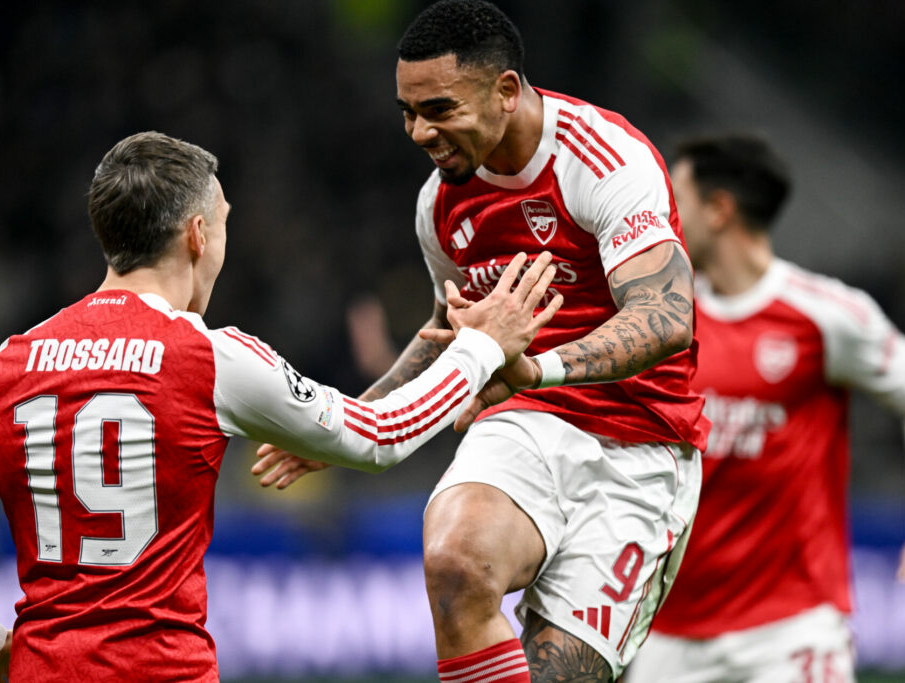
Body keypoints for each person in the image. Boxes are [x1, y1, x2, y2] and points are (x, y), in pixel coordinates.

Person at [0, 131, 564, 682]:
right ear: (198, 235)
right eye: (222, 224)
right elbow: (379, 435)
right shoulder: (208, 357)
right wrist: (482, 347)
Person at [253, 2, 710, 680]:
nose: (420, 132)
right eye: (408, 112)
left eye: (439, 109)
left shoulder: (604, 158)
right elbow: (450, 334)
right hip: (523, 424)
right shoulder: (439, 205)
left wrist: (537, 368)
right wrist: (349, 423)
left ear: (506, 91)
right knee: (454, 563)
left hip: (637, 448)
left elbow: (667, 316)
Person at [627, 134, 905, 682]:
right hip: (671, 631)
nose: (663, 218)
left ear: (719, 210)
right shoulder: (662, 323)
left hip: (790, 628)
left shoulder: (822, 314)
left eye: (676, 200)